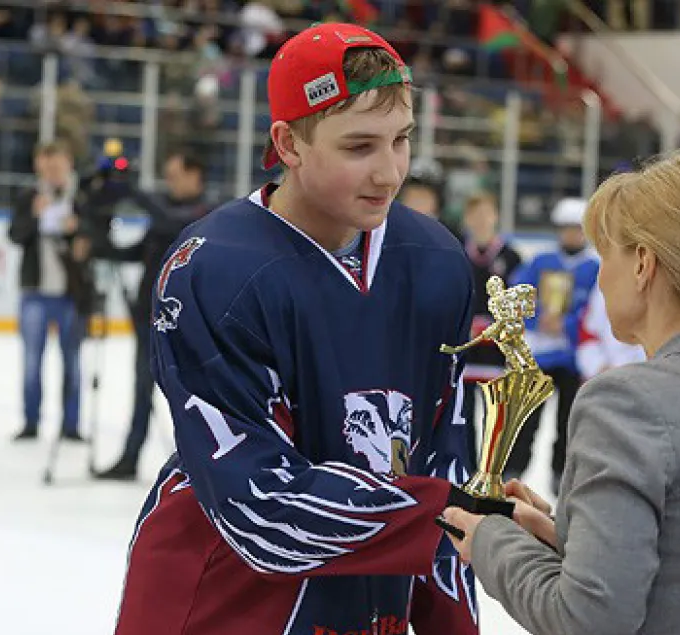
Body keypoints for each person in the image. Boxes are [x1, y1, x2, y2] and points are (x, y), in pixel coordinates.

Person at [113, 23, 478, 635]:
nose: (390, 173)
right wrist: (446, 514)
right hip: (224, 603)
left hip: (373, 604)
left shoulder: (436, 262)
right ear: (289, 143)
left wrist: (456, 606)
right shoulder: (213, 270)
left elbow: (445, 461)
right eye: (359, 147)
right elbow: (260, 511)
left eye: (402, 140)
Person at [443, 150, 680, 635]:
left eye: (604, 254)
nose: (598, 275)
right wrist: (555, 538)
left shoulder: (626, 402)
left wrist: (489, 539)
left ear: (642, 265)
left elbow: (588, 621)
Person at [92, 148, 221, 481]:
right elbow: (138, 250)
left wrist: (132, 191)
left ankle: (201, 462)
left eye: (175, 177)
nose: (169, 183)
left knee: (187, 395)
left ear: (195, 175)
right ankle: (130, 456)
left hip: (183, 324)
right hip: (149, 318)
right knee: (140, 387)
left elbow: (170, 222)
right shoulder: (167, 207)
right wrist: (96, 241)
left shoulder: (207, 212)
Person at [503, 197, 599, 490]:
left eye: (577, 229)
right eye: (566, 228)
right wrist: (535, 320)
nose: (571, 235)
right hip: (540, 356)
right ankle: (513, 471)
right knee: (526, 418)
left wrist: (567, 324)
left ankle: (562, 474)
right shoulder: (541, 262)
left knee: (568, 421)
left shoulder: (595, 268)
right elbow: (516, 295)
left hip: (573, 358)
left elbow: (598, 310)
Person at [7, 141, 94, 443]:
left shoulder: (82, 197)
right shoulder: (29, 196)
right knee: (32, 362)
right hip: (35, 291)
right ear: (38, 166)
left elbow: (96, 234)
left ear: (69, 164)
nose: (54, 172)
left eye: (58, 165)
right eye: (48, 166)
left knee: (72, 362)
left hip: (71, 293)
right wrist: (33, 216)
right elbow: (15, 235)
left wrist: (78, 229)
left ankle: (71, 425)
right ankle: (31, 422)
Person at [456, 190, 522, 459]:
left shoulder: (512, 256)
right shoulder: (456, 252)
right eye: (476, 214)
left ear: (496, 216)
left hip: (498, 351)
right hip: (466, 349)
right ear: (467, 218)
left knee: (495, 417)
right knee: (464, 415)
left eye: (487, 213)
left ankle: (492, 469)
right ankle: (469, 470)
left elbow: (520, 301)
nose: (482, 219)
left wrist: (499, 326)